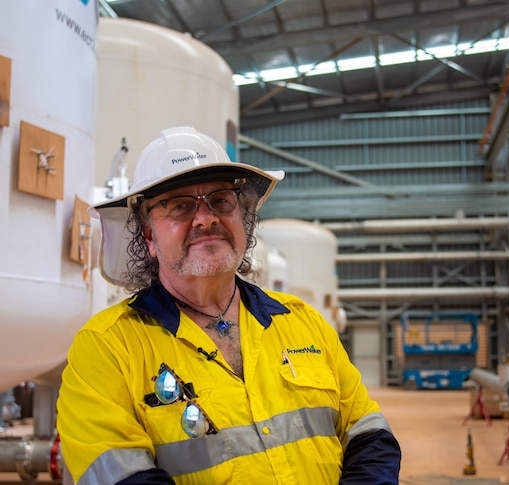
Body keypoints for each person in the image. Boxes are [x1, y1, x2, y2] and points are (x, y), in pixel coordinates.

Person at [57, 126, 401, 484]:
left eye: (221, 200)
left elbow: (370, 436)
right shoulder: (105, 348)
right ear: (149, 237)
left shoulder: (302, 322)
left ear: (243, 219)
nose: (206, 218)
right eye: (180, 206)